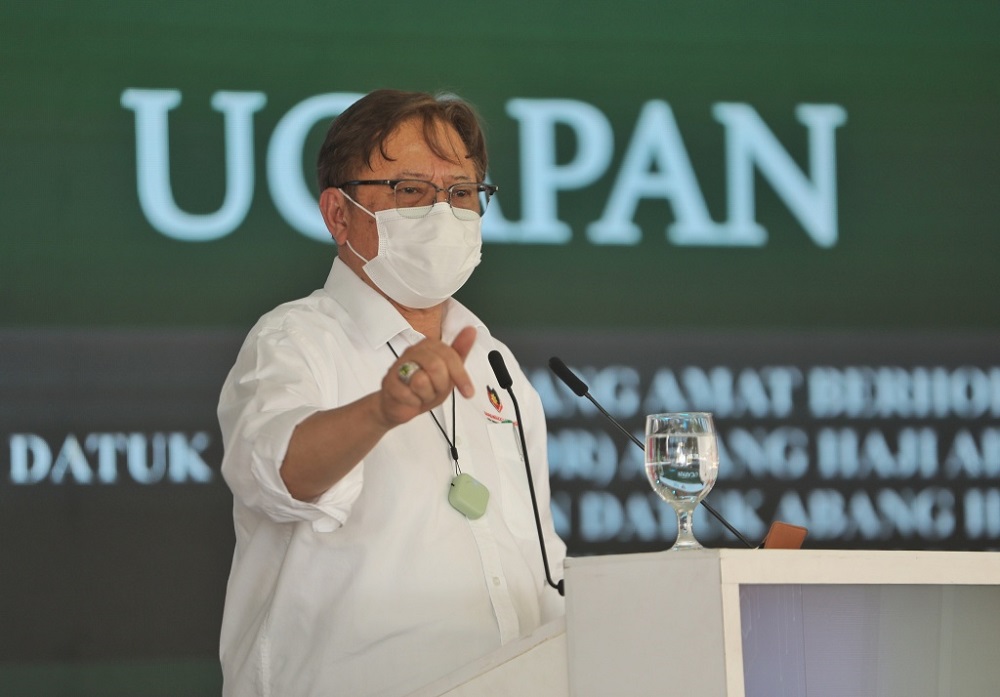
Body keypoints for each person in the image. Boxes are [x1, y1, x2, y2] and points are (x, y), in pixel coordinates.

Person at [217, 89, 566, 697]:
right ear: (339, 215)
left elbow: (538, 565)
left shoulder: (492, 361)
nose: (443, 213)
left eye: (461, 193)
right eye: (410, 191)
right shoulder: (297, 339)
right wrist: (382, 410)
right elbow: (276, 473)